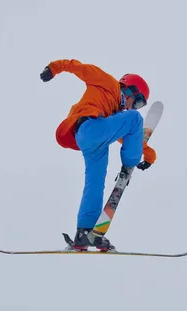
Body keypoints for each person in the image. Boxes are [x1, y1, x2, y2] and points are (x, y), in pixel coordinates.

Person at [39, 59, 156, 251]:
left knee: (95, 183)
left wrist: (149, 156)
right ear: (130, 90)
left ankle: (84, 232)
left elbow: (123, 135)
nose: (133, 107)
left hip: (94, 139)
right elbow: (79, 67)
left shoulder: (115, 111)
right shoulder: (108, 83)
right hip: (88, 127)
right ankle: (128, 168)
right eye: (138, 102)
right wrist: (54, 68)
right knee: (135, 120)